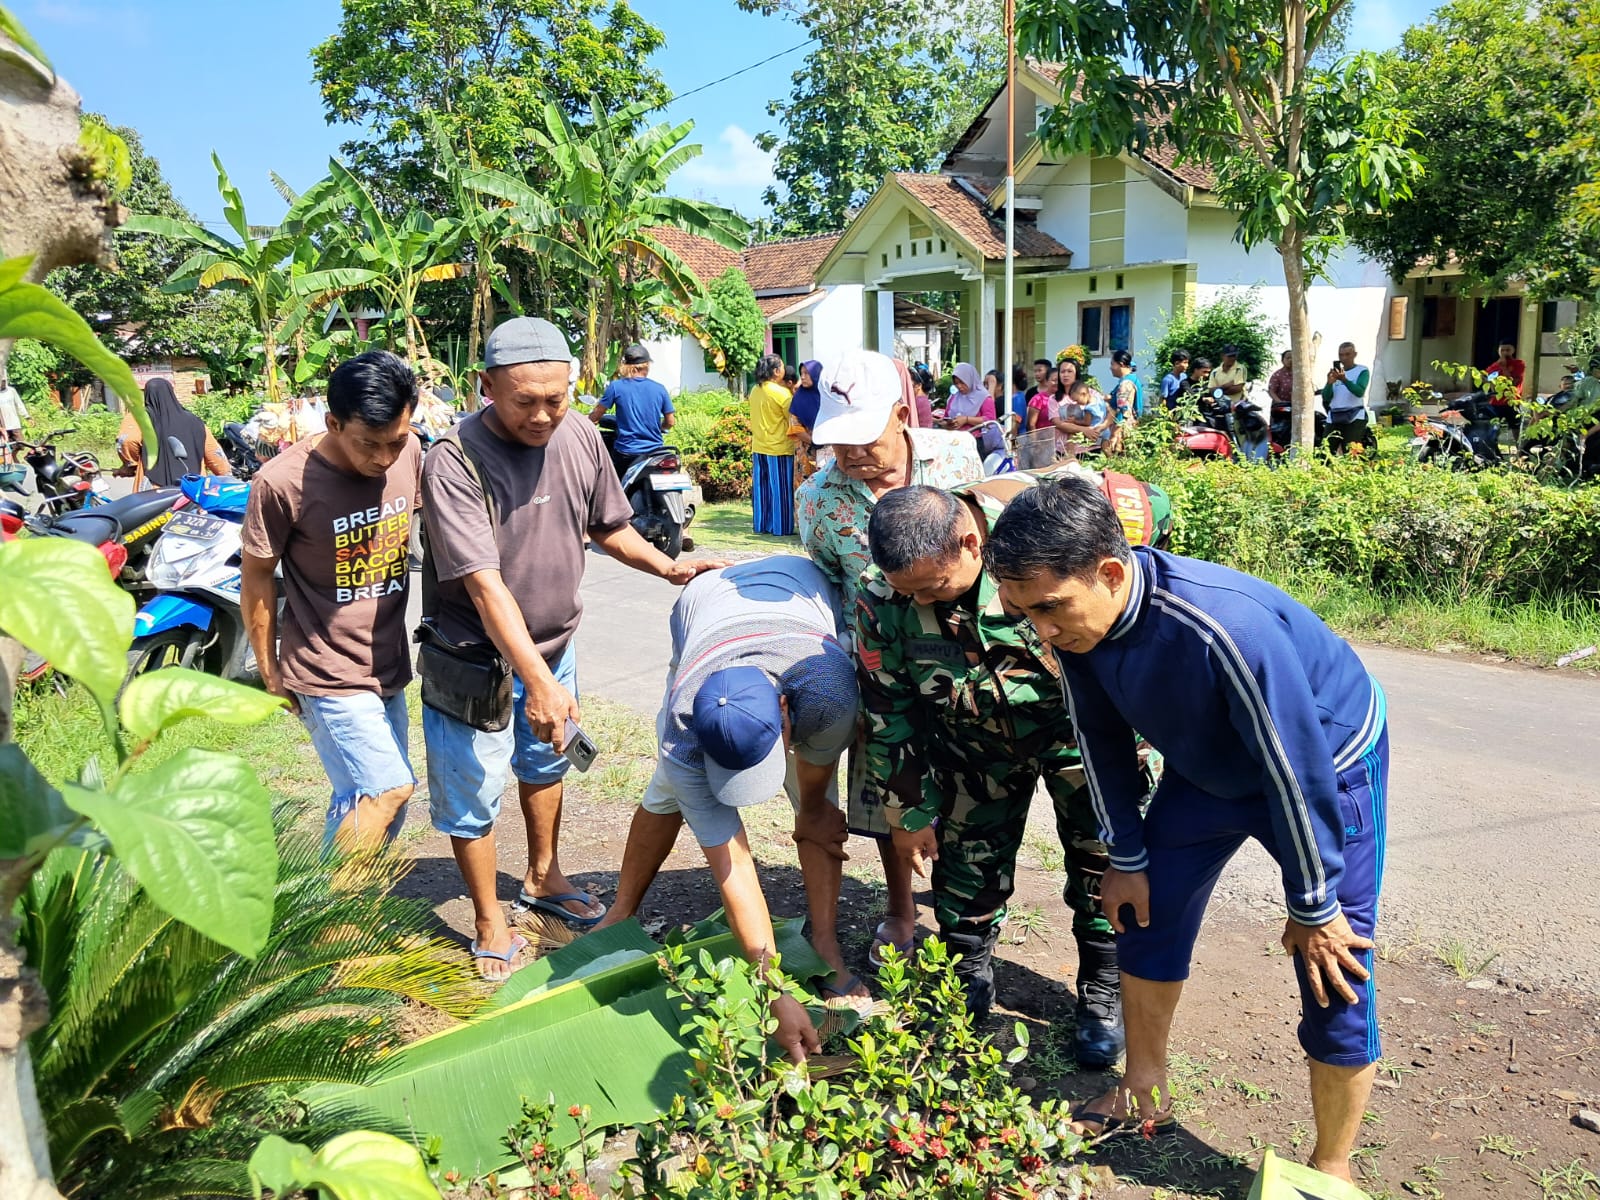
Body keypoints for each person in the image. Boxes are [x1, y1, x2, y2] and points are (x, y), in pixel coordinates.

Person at [984, 477, 1388, 1182]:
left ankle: (1331, 1167)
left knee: (1335, 967)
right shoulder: (1078, 630)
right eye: (1022, 613)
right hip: (1207, 770)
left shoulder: (1225, 629)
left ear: (1110, 572)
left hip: (1324, 767)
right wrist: (1127, 854)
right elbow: (1099, 740)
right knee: (1145, 910)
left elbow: (1295, 772)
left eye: (1049, 608)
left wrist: (1314, 904)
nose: (1041, 633)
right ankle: (1146, 1092)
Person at [419, 317, 723, 981]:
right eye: (524, 400)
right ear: (485, 387)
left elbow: (608, 526)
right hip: (474, 656)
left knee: (546, 765)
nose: (542, 415)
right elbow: (483, 582)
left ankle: (543, 874)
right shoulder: (453, 459)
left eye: (556, 398)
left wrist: (668, 567)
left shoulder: (580, 433)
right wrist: (539, 681)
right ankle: (488, 918)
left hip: (554, 645)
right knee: (472, 786)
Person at [856, 478, 1126, 1065]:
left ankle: (1103, 989)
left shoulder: (1043, 545)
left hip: (1081, 737)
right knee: (966, 867)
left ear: (970, 543)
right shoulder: (883, 596)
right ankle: (967, 980)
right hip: (971, 747)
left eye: (934, 587)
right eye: (911, 592)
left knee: (1104, 862)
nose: (923, 602)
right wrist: (908, 811)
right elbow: (887, 710)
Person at [597, 556, 868, 1059]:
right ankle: (621, 909)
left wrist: (812, 811)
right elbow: (733, 863)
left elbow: (814, 794)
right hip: (705, 605)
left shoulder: (826, 692)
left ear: (786, 710)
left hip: (796, 594)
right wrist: (773, 987)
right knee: (667, 791)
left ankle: (826, 943)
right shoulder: (682, 734)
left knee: (818, 809)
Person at [796, 348, 983, 969]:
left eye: (862, 439)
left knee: (969, 782)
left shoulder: (956, 458)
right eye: (837, 442)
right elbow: (826, 585)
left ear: (902, 415)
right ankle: (900, 907)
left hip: (965, 658)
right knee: (886, 790)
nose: (849, 456)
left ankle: (964, 901)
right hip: (877, 666)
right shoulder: (819, 499)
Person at [241, 351, 422, 851]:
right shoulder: (282, 482)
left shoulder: (411, 454)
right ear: (333, 423)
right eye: (369, 444)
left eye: (396, 442)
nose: (384, 459)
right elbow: (256, 578)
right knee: (387, 789)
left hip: (386, 663)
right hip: (325, 669)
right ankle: (331, 931)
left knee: (368, 802)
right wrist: (268, 669)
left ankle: (337, 919)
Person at [118, 377, 229, 489]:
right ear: (172, 394)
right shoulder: (194, 420)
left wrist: (131, 463)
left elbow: (127, 441)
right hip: (192, 488)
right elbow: (214, 452)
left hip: (153, 488)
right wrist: (226, 475)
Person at [589, 342, 675, 477]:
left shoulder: (616, 387)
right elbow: (670, 422)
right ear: (647, 365)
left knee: (611, 484)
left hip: (626, 452)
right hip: (655, 452)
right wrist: (660, 427)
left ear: (626, 366)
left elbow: (597, 415)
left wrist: (588, 421)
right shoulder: (660, 389)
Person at [749, 353, 795, 535]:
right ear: (776, 371)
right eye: (782, 367)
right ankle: (781, 528)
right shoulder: (782, 394)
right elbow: (792, 419)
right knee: (781, 491)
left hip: (759, 446)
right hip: (779, 447)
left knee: (762, 491)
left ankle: (761, 525)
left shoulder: (755, 390)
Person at [1320, 342, 1373, 454]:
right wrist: (1329, 383)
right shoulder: (1335, 373)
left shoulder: (1362, 371)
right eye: (1341, 355)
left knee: (1350, 451)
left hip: (1354, 415)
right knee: (1325, 451)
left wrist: (1344, 380)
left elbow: (1359, 392)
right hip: (1334, 415)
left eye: (1347, 354)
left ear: (1354, 354)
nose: (1344, 358)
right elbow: (1326, 397)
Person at [787, 358, 825, 484]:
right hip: (805, 453)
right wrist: (814, 442)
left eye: (806, 374)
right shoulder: (798, 398)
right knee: (805, 488)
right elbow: (795, 427)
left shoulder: (827, 396)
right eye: (801, 373)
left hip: (826, 452)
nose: (802, 377)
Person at [1108, 349, 1144, 433]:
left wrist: (1116, 433)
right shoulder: (1132, 379)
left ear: (1121, 364)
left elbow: (1123, 410)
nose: (1110, 368)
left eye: (1112, 364)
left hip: (1125, 428)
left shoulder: (1125, 384)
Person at [0, 373, 27, 453]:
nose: (2, 383)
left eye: (3, 381)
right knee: (5, 448)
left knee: (19, 445)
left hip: (14, 424)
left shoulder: (11, 391)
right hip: (3, 427)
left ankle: (15, 462)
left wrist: (27, 416)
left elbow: (19, 404)